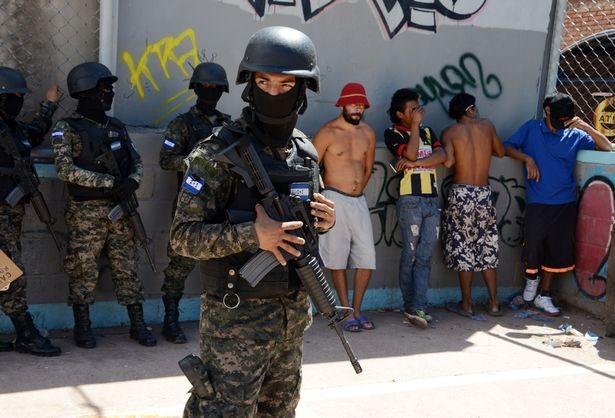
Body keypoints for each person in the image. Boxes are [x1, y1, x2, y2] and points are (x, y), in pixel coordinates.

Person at [169, 26, 335, 416]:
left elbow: (306, 223)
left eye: (285, 84)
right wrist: (252, 234)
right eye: (264, 82)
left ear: (302, 90)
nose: (273, 93)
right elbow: (181, 237)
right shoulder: (217, 153)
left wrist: (323, 221)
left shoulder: (305, 153)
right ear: (249, 85)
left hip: (290, 321)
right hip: (234, 324)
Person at [52, 62, 156, 348]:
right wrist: (108, 182)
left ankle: (137, 322)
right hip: (85, 212)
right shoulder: (67, 128)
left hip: (121, 210)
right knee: (82, 267)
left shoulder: (117, 127)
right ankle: (82, 326)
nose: (109, 94)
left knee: (127, 266)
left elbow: (135, 160)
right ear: (86, 92)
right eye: (104, 89)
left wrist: (133, 180)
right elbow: (66, 170)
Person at [504, 92, 613, 317]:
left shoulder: (575, 134)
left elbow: (607, 147)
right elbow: (507, 147)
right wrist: (527, 158)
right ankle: (530, 289)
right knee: (532, 247)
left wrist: (586, 126)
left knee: (557, 251)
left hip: (564, 203)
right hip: (537, 202)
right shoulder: (532, 129)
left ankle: (544, 296)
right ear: (547, 111)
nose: (559, 127)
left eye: (565, 122)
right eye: (556, 121)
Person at [159, 62, 230, 344]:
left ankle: (224, 321)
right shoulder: (182, 124)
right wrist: (196, 163)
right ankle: (171, 320)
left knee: (226, 265)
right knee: (180, 264)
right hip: (192, 204)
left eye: (215, 88)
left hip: (223, 204)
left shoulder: (229, 125)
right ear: (196, 89)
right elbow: (166, 160)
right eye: (206, 87)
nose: (210, 92)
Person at [0, 66, 62, 356]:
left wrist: (49, 105)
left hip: (11, 218)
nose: (17, 101)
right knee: (10, 274)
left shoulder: (13, 129)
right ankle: (25, 333)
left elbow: (34, 134)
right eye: (13, 96)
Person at [312, 82, 377, 332]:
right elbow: (311, 167)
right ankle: (346, 310)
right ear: (342, 104)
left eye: (361, 104)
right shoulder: (327, 132)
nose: (357, 108)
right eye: (353, 103)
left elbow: (368, 168)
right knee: (336, 257)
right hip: (333, 198)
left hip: (358, 201)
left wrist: (356, 190)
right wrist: (320, 200)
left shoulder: (368, 133)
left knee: (366, 258)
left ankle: (358, 310)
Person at [384, 88, 445, 329]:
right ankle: (410, 305)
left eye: (418, 107)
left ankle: (420, 305)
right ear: (400, 114)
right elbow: (407, 152)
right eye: (412, 110)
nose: (418, 112)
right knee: (409, 255)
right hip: (410, 200)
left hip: (431, 199)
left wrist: (415, 163)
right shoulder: (393, 133)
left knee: (425, 256)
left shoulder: (429, 132)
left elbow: (443, 156)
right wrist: (415, 128)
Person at [441, 93, 505, 317]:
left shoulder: (449, 133)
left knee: (464, 250)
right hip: (484, 194)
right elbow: (500, 151)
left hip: (461, 194)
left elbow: (448, 161)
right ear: (469, 109)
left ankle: (466, 305)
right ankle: (494, 303)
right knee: (487, 248)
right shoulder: (487, 126)